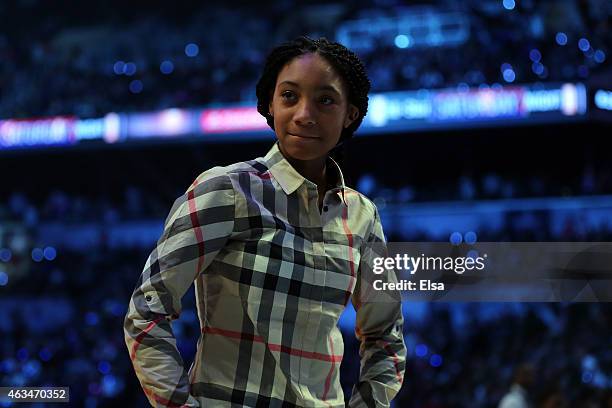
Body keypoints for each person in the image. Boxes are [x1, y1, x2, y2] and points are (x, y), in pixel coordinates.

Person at [124, 36, 406, 408]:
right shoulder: (226, 189)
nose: (304, 114)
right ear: (269, 104)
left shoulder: (362, 216)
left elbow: (385, 336)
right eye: (289, 96)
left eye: (325, 100)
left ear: (350, 113)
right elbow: (146, 311)